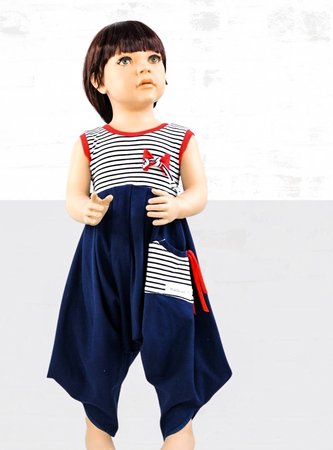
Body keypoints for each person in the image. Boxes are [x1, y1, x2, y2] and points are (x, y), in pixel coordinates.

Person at [46, 20, 233, 450]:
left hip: (165, 259)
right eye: (125, 60)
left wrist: (179, 205)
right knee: (97, 356)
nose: (143, 67)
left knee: (176, 355)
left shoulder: (180, 137)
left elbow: (198, 191)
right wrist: (84, 209)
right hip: (104, 262)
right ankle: (98, 428)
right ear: (99, 80)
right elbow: (73, 196)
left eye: (153, 59)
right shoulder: (90, 142)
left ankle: (179, 429)